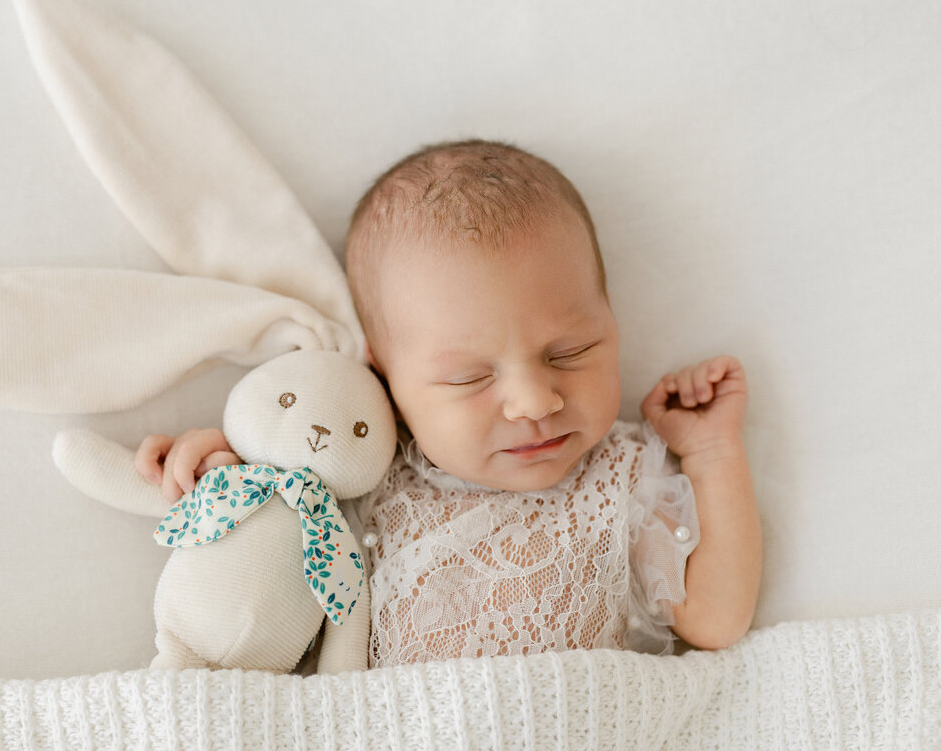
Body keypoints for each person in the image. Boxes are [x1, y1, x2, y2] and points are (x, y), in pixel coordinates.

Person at [136, 139, 762, 665]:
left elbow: (714, 617)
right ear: (387, 383)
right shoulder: (368, 480)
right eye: (469, 379)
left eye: (570, 352)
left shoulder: (616, 482)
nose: (534, 401)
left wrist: (709, 452)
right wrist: (231, 466)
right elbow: (269, 567)